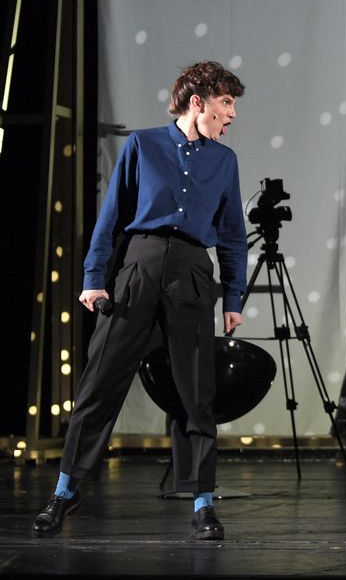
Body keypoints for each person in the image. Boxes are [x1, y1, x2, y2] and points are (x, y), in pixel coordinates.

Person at [32, 61, 248, 541]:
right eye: (226, 103)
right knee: (99, 383)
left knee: (196, 395)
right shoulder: (143, 146)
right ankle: (65, 491)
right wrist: (94, 278)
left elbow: (233, 234)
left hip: (191, 274)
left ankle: (203, 503)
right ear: (198, 102)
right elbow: (110, 218)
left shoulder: (224, 161)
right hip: (138, 268)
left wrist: (233, 296)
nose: (232, 115)